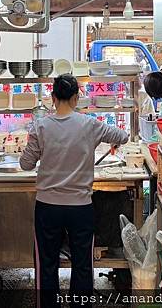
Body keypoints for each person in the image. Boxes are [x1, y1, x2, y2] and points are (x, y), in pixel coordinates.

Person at [20, 74, 129, 308]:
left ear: (53, 97)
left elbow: (25, 164)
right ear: (76, 98)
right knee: (82, 264)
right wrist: (109, 141)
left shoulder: (40, 126)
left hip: (48, 207)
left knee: (47, 264)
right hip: (80, 208)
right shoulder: (89, 124)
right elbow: (123, 136)